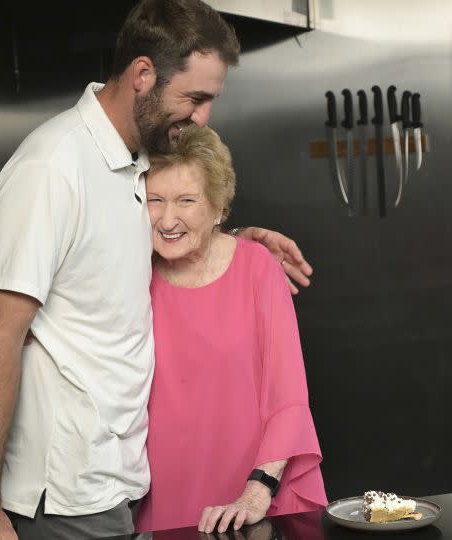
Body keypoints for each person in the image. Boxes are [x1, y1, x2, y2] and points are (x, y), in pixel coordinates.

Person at [0, 1, 314, 538]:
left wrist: (237, 242)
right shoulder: (52, 167)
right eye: (194, 98)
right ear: (143, 75)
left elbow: (152, 237)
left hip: (120, 486)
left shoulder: (136, 164)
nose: (201, 117)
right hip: (64, 495)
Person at [134, 126, 327, 535]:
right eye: (155, 200)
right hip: (164, 497)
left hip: (256, 494)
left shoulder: (258, 269)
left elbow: (288, 396)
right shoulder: (133, 275)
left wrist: (258, 491)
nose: (168, 219)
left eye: (186, 200)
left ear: (218, 207)